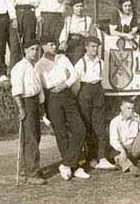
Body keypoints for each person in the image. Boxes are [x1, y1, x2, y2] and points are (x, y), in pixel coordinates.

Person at [35, 36, 88, 180]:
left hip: (66, 93)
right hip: (51, 97)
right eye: (51, 45)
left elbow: (74, 74)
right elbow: (39, 88)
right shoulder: (39, 65)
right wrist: (43, 111)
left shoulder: (62, 58)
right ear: (43, 47)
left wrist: (64, 85)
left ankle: (66, 163)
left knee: (80, 129)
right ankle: (74, 166)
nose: (54, 47)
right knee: (61, 132)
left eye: (55, 44)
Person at [74, 36, 117, 170]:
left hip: (98, 90)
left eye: (97, 47)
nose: (95, 49)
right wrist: (79, 97)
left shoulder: (101, 62)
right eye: (92, 46)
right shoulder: (81, 63)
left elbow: (105, 78)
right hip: (85, 91)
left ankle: (102, 157)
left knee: (100, 125)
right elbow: (75, 82)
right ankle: (91, 157)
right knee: (87, 125)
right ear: (86, 47)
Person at [10, 39, 47, 185]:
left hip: (35, 103)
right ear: (25, 50)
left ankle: (29, 167)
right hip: (26, 102)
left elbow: (39, 88)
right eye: (32, 49)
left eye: (37, 49)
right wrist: (21, 108)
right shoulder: (20, 67)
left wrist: (42, 106)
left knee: (35, 136)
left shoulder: (35, 66)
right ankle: (31, 173)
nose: (35, 52)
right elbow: (16, 91)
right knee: (30, 137)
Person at [59, 0, 95, 64]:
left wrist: (88, 35)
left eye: (81, 6)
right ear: (73, 7)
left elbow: (92, 35)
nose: (79, 9)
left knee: (77, 60)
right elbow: (64, 32)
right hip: (70, 42)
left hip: (81, 44)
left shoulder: (88, 20)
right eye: (77, 6)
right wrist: (63, 42)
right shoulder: (69, 19)